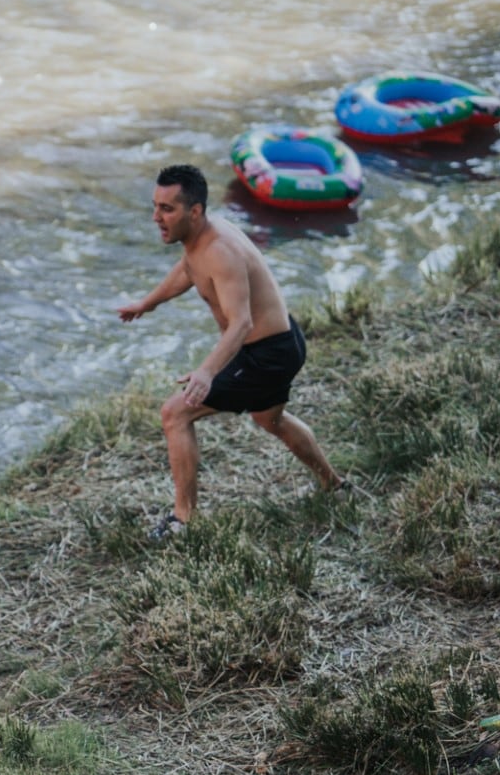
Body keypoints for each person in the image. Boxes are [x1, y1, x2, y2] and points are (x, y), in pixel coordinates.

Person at [117, 163, 343, 540]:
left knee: (175, 414)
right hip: (281, 342)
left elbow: (241, 324)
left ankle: (182, 521)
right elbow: (188, 270)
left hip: (264, 352)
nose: (156, 217)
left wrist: (206, 372)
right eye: (155, 207)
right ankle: (334, 484)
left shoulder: (220, 250)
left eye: (166, 209)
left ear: (195, 211)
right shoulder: (200, 239)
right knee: (270, 420)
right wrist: (147, 303)